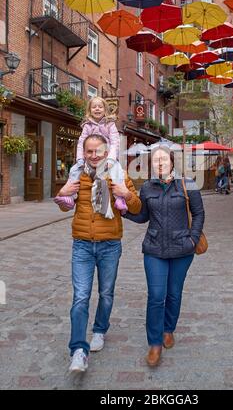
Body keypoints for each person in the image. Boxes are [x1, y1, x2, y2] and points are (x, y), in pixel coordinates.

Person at [54, 134, 141, 373]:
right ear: (84, 153)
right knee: (80, 296)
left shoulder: (117, 174)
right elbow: (65, 205)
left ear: (105, 151)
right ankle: (78, 350)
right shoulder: (77, 174)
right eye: (89, 151)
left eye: (98, 151)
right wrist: (62, 192)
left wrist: (126, 193)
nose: (94, 156)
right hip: (82, 244)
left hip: (110, 244)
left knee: (106, 293)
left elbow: (136, 208)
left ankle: (100, 330)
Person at [124, 145, 205, 367]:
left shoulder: (187, 184)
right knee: (156, 295)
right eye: (155, 161)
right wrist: (124, 211)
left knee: (174, 294)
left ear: (172, 162)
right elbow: (143, 216)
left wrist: (193, 239)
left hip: (182, 249)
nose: (160, 163)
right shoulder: (147, 188)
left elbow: (198, 213)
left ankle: (168, 329)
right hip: (154, 249)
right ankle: (155, 343)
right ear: (151, 165)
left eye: (164, 160)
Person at [57, 97, 127, 213]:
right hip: (89, 160)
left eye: (100, 106)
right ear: (90, 110)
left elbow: (115, 142)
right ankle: (70, 196)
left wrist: (111, 159)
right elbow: (81, 143)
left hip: (108, 158)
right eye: (94, 107)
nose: (97, 109)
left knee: (118, 171)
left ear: (105, 109)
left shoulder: (110, 124)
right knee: (74, 170)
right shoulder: (87, 126)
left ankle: (120, 198)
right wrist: (80, 158)